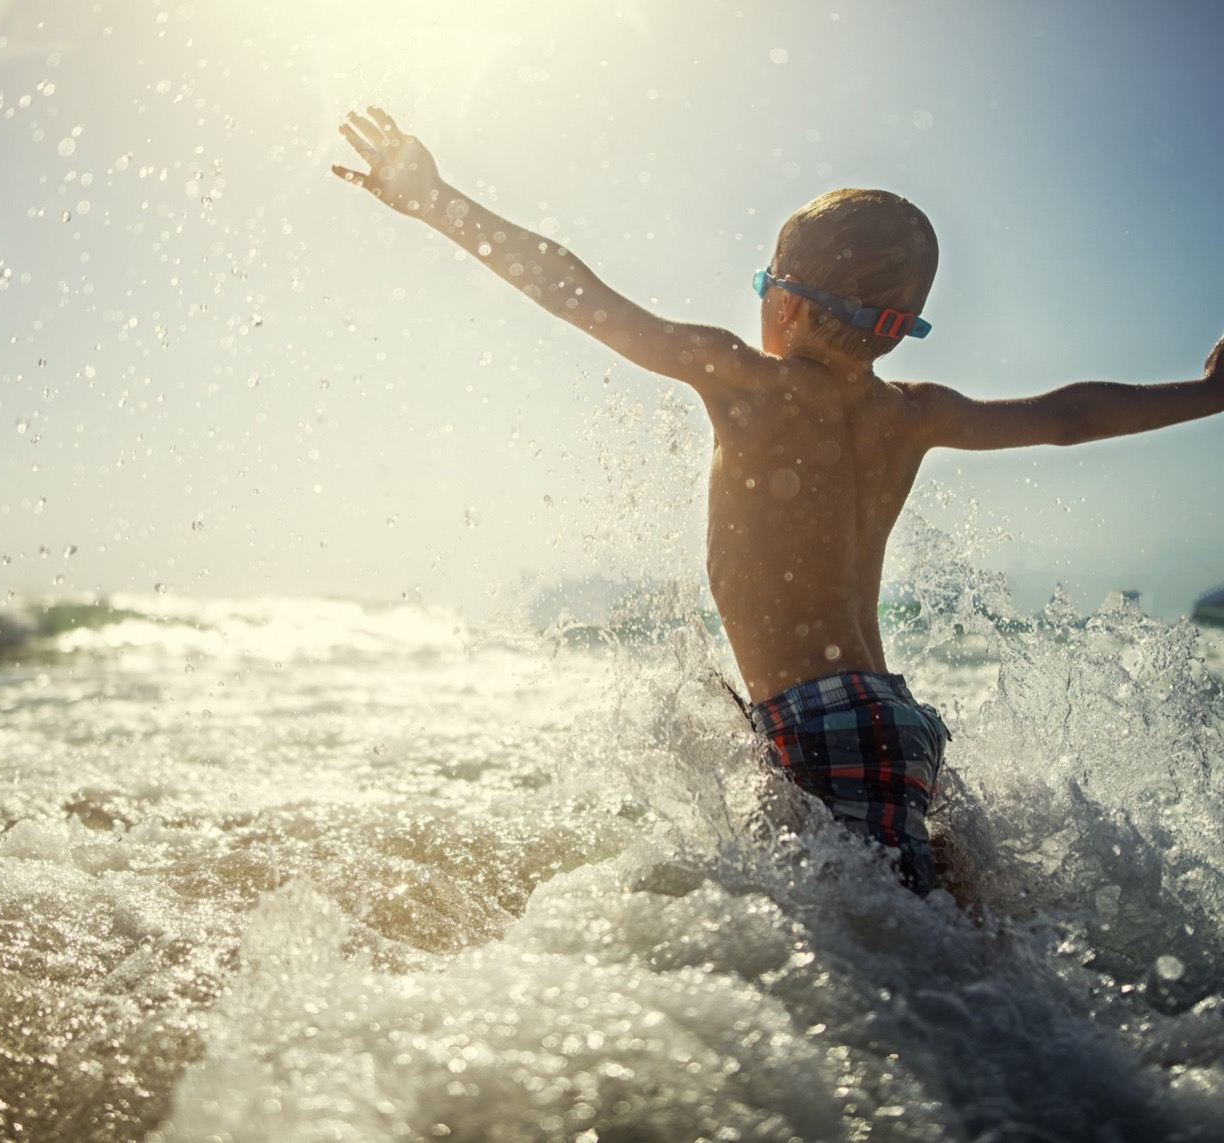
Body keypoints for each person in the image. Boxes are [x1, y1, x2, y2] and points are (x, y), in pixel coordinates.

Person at [333, 107, 1224, 894]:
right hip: (895, 714)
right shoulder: (912, 413)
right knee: (949, 931)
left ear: (787, 306)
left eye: (764, 283)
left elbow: (575, 290)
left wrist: (437, 202)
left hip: (820, 720)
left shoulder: (747, 382)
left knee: (882, 971)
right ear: (895, 326)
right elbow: (1070, 416)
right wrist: (1207, 394)